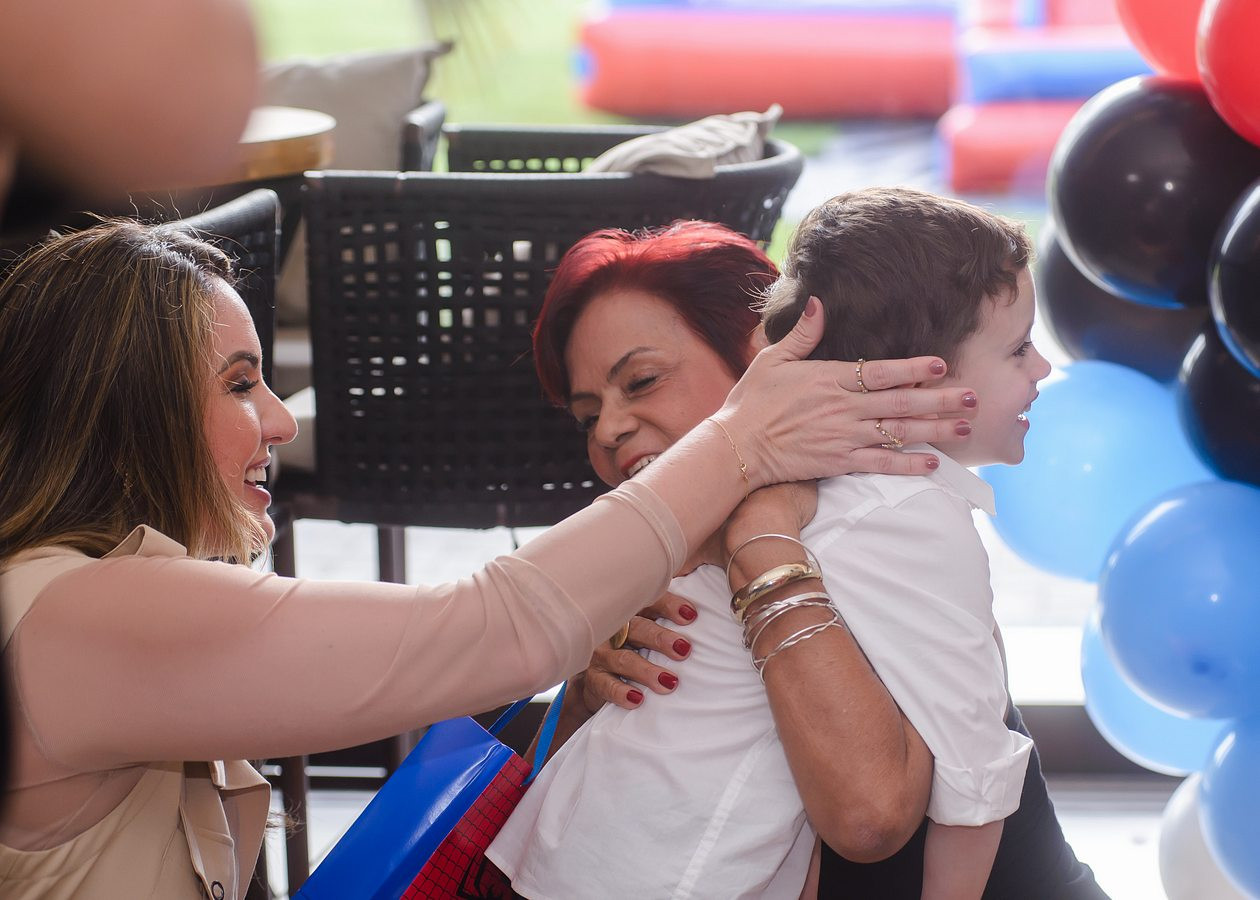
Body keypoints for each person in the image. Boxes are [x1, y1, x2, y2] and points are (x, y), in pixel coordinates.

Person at [0, 220, 969, 899]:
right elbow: (489, 630)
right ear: (128, 411)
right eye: (241, 383)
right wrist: (744, 457)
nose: (283, 421)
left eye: (642, 382)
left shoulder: (879, 541)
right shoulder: (82, 618)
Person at [489, 199, 1105, 898]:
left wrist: (761, 545)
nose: (608, 431)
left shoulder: (886, 521)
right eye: (587, 416)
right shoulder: (662, 567)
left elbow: (872, 818)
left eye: (643, 381)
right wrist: (582, 689)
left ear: (767, 359)